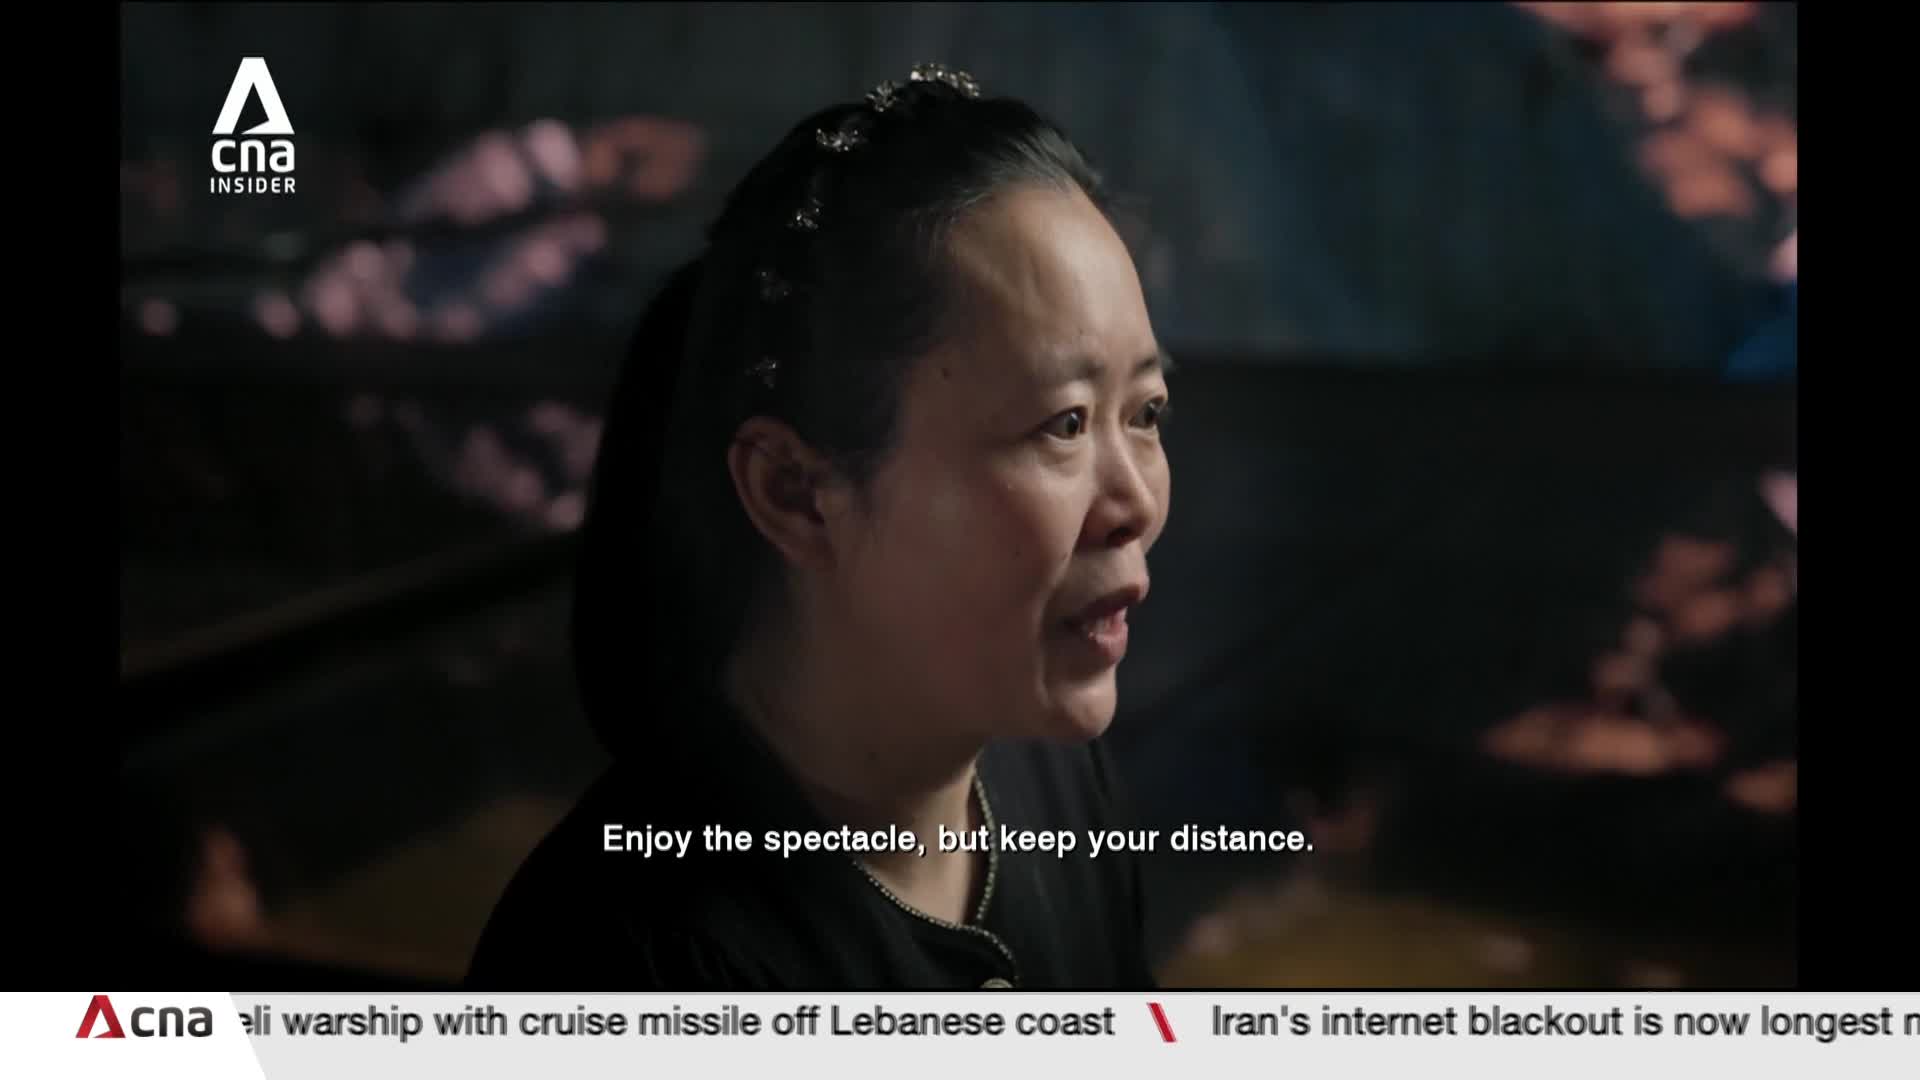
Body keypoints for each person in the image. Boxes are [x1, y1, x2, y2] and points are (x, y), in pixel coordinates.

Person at [467, 63, 1173, 990]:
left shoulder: (1056, 790)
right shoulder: (626, 962)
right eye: (1063, 424)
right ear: (795, 490)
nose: (1135, 504)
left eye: (1146, 413)